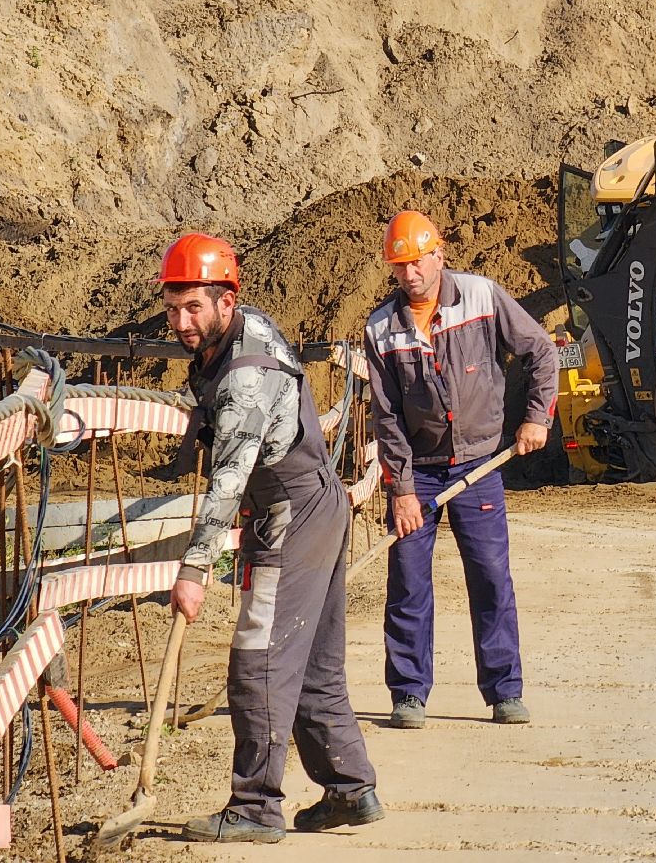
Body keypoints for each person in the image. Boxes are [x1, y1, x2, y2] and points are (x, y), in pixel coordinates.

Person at [159, 232, 381, 843]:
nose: (180, 321)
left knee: (258, 658)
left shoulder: (244, 378)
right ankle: (350, 789)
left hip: (290, 513)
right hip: (315, 501)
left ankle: (256, 807)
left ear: (226, 300)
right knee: (310, 661)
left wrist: (194, 569)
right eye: (173, 307)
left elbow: (227, 482)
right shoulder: (243, 331)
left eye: (193, 307)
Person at [363, 211, 558, 728]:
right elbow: (386, 416)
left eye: (418, 260)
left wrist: (536, 418)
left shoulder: (481, 296)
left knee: (492, 578)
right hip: (418, 475)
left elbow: (541, 351)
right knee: (407, 581)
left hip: (480, 464)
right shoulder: (381, 329)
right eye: (400, 265)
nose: (410, 274)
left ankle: (504, 691)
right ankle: (408, 693)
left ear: (438, 255)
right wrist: (401, 490)